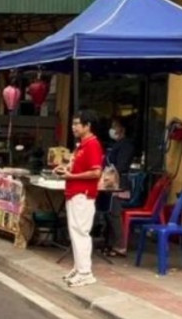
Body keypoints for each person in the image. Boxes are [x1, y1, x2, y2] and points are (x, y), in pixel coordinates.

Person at [55, 109, 104, 287]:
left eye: (77, 124)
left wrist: (72, 177)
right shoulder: (81, 145)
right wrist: (65, 170)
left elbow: (96, 172)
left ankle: (85, 272)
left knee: (81, 233)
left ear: (87, 126)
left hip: (83, 194)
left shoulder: (92, 144)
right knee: (75, 232)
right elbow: (77, 167)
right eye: (73, 123)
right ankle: (79, 267)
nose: (73, 127)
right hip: (75, 192)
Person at [103, 116, 136, 256]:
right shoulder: (116, 144)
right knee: (108, 213)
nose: (112, 129)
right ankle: (110, 244)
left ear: (122, 129)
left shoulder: (126, 145)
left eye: (114, 126)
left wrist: (110, 171)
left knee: (114, 214)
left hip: (119, 184)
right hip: (111, 183)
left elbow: (121, 166)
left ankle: (120, 246)